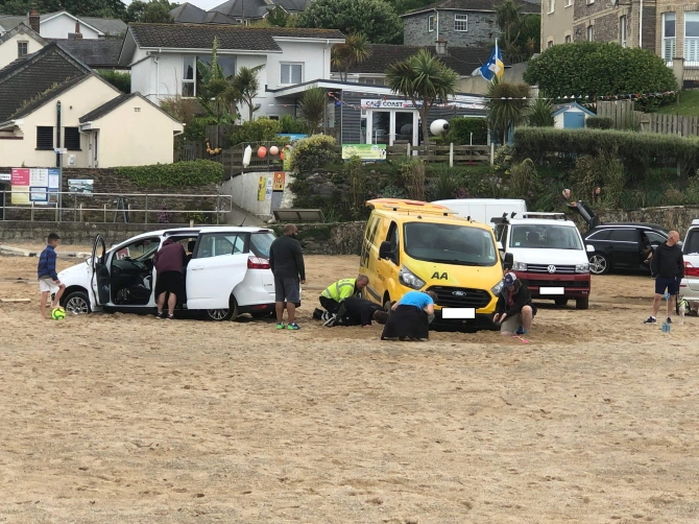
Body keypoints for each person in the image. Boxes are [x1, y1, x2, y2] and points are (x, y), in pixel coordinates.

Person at [269, 224, 306, 330]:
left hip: (278, 273)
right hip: (290, 274)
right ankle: (291, 323)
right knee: (291, 299)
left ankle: (279, 323)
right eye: (295, 231)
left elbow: (271, 259)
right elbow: (300, 261)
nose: (297, 233)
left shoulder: (275, 242)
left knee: (279, 298)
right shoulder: (294, 243)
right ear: (291, 231)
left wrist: (274, 271)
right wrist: (302, 276)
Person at [645, 230, 684, 325]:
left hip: (673, 278)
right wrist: (656, 274)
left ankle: (669, 317)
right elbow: (654, 262)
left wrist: (679, 277)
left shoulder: (678, 250)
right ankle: (653, 317)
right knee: (657, 296)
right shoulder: (660, 249)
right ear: (671, 238)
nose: (679, 239)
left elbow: (681, 265)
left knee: (671, 297)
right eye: (677, 237)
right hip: (661, 277)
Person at [154, 238, 186, 319]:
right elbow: (184, 259)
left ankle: (159, 313)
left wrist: (159, 269)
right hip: (174, 272)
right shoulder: (179, 246)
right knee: (173, 292)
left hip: (163, 272)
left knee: (162, 292)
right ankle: (170, 314)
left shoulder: (161, 250)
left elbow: (154, 261)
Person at [37, 232, 66, 319]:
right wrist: (55, 278)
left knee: (44, 293)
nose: (57, 244)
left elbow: (40, 264)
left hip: (41, 274)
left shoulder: (43, 251)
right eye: (57, 242)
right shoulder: (52, 252)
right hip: (48, 275)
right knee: (62, 287)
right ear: (53, 241)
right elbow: (51, 267)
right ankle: (53, 305)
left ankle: (43, 315)